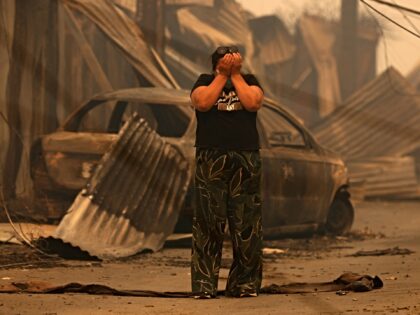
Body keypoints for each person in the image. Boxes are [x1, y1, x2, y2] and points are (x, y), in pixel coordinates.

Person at [189, 46, 264, 299]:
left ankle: (244, 285)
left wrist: (237, 75)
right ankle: (204, 286)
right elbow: (202, 103)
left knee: (247, 224)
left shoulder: (249, 81)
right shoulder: (205, 81)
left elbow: (253, 103)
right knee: (208, 223)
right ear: (215, 63)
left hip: (246, 158)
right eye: (225, 57)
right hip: (211, 157)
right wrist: (222, 75)